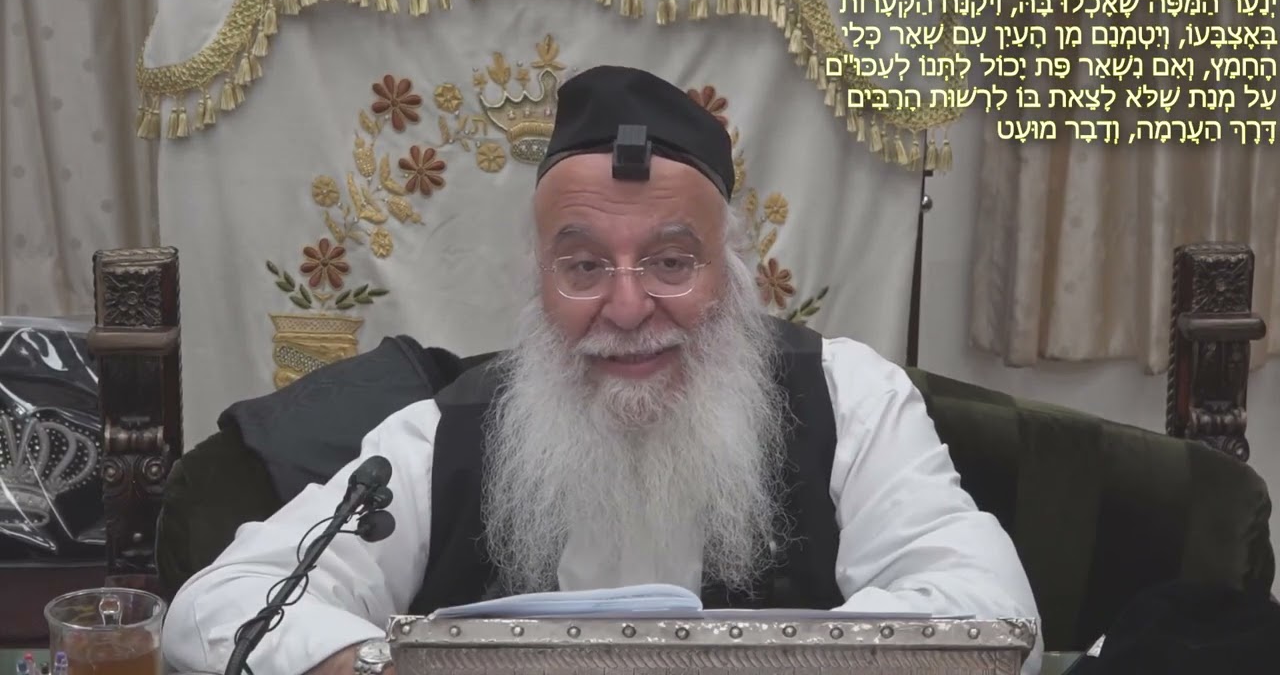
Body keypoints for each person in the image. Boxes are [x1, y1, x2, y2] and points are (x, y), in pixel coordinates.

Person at [162, 65, 1041, 675]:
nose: (626, 308)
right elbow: (221, 604)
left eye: (671, 262)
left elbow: (993, 615)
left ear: (734, 273)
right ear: (540, 282)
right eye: (584, 267)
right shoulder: (440, 437)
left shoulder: (851, 399)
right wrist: (383, 666)